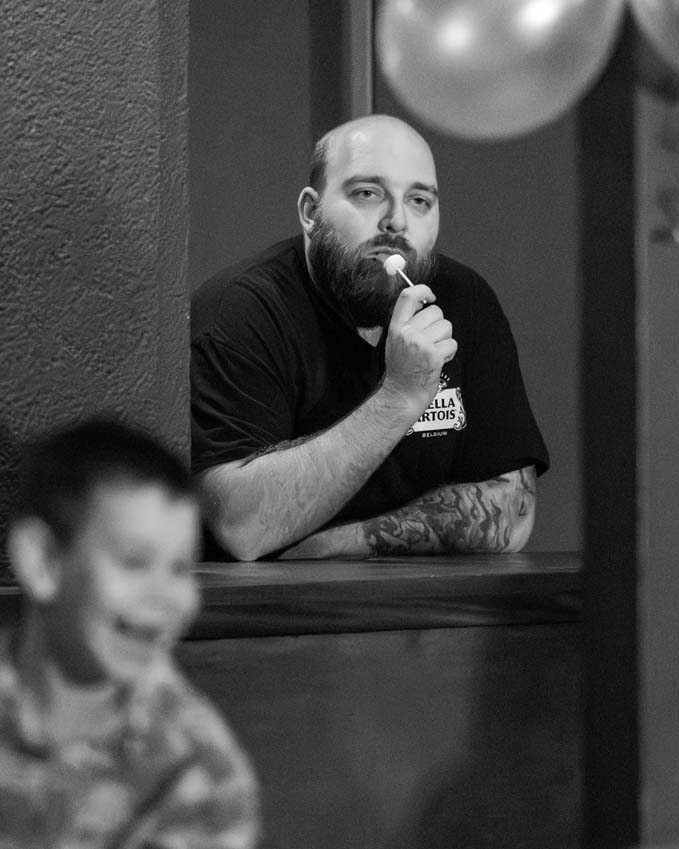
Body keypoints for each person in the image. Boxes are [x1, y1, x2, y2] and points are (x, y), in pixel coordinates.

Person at [191, 114, 549, 562]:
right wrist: (399, 396)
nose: (396, 221)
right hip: (267, 623)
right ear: (310, 211)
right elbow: (241, 527)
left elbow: (512, 513)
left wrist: (341, 544)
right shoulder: (244, 311)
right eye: (368, 194)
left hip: (431, 614)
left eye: (419, 201)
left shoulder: (463, 301)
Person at [1, 418, 259, 849]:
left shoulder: (198, 772)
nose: (165, 597)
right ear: (42, 561)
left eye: (180, 569)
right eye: (134, 562)